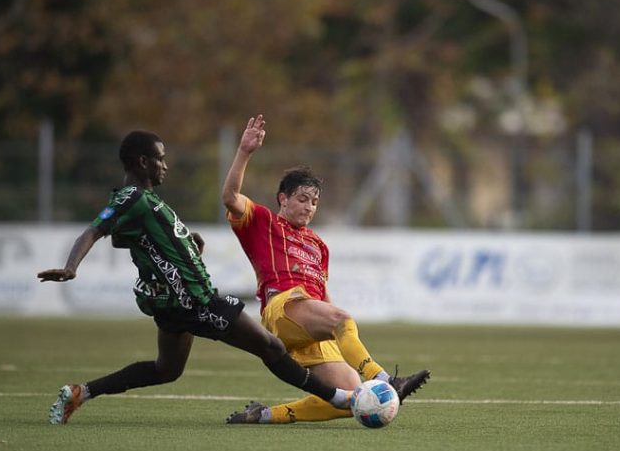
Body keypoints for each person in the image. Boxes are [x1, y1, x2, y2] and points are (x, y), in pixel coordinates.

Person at [37, 129, 354, 425]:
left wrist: (188, 246)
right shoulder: (131, 197)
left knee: (166, 370)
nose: (165, 165)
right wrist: (71, 266)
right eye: (160, 158)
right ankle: (339, 398)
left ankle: (81, 393)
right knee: (271, 347)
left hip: (171, 302)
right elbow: (95, 230)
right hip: (194, 298)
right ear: (142, 162)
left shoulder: (148, 200)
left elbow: (126, 239)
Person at [221, 114, 430, 424]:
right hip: (284, 308)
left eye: (314, 202)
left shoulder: (318, 245)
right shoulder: (264, 222)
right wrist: (244, 151)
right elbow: (229, 197)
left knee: (355, 399)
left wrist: (337, 337)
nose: (309, 207)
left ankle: (264, 415)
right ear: (283, 199)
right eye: (302, 199)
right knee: (342, 319)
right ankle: (387, 380)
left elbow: (322, 295)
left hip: (310, 320)